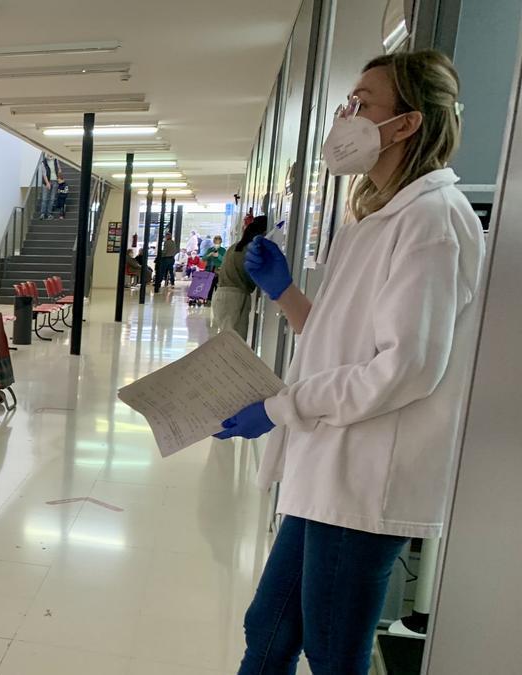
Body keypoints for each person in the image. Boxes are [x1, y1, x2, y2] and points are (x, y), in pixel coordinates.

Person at [217, 50, 483, 674]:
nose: (347, 118)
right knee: (270, 628)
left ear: (408, 124)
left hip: (365, 477)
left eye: (362, 104)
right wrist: (286, 293)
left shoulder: (431, 220)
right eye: (347, 104)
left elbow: (406, 368)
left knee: (333, 650)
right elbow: (341, 342)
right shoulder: (377, 217)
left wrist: (281, 407)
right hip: (328, 469)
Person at [211, 216, 268, 339]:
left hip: (222, 295)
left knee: (228, 338)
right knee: (235, 342)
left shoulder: (236, 246)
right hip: (235, 298)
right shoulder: (252, 250)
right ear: (263, 233)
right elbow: (255, 276)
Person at [38, 153, 60, 219]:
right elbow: (44, 174)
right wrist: (47, 183)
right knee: (44, 199)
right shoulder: (43, 162)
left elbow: (58, 169)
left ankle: (49, 214)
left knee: (52, 198)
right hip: (47, 182)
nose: (50, 155)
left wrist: (59, 178)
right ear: (46, 154)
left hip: (55, 181)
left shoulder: (56, 160)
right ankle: (42, 214)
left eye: (51, 153)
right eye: (48, 154)